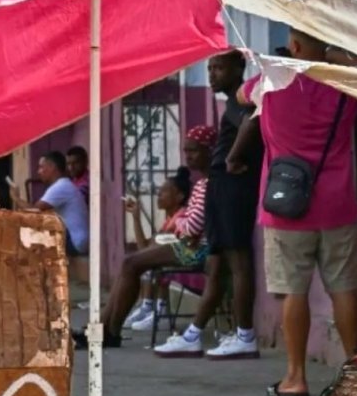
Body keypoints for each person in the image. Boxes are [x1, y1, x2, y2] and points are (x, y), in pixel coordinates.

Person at [227, 29, 357, 396]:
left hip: (286, 208)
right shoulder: (343, 85)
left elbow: (240, 96)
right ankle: (355, 374)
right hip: (337, 204)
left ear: (297, 47)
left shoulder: (273, 81)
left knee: (293, 292)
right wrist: (334, 56)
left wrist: (281, 65)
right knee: (344, 288)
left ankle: (295, 376)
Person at [155, 50, 264, 360]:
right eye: (210, 68)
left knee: (238, 263)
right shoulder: (231, 102)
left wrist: (232, 157)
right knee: (215, 265)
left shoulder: (242, 101)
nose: (212, 74)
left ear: (238, 68)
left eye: (219, 67)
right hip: (220, 187)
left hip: (234, 188)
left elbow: (252, 124)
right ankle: (193, 335)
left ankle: (245, 335)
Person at [74, 125, 216, 349]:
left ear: (210, 150)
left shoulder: (210, 183)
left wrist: (180, 223)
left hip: (198, 249)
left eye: (194, 150)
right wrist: (183, 224)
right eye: (186, 150)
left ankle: (108, 331)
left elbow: (192, 226)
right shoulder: (201, 184)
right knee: (129, 263)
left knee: (132, 263)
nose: (188, 156)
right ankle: (103, 328)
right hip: (189, 244)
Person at [121, 167, 194, 331]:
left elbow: (146, 251)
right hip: (175, 260)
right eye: (159, 191)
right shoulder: (170, 218)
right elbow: (144, 249)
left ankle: (158, 309)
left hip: (188, 264)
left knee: (152, 262)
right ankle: (148, 306)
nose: (158, 195)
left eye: (164, 192)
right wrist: (136, 216)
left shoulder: (181, 217)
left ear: (179, 196)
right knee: (146, 259)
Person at [10, 151, 89, 256]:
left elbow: (34, 211)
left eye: (42, 167)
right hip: (76, 239)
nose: (39, 171)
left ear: (52, 167)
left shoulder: (61, 187)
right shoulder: (62, 185)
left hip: (76, 242)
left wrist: (16, 198)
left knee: (29, 238)